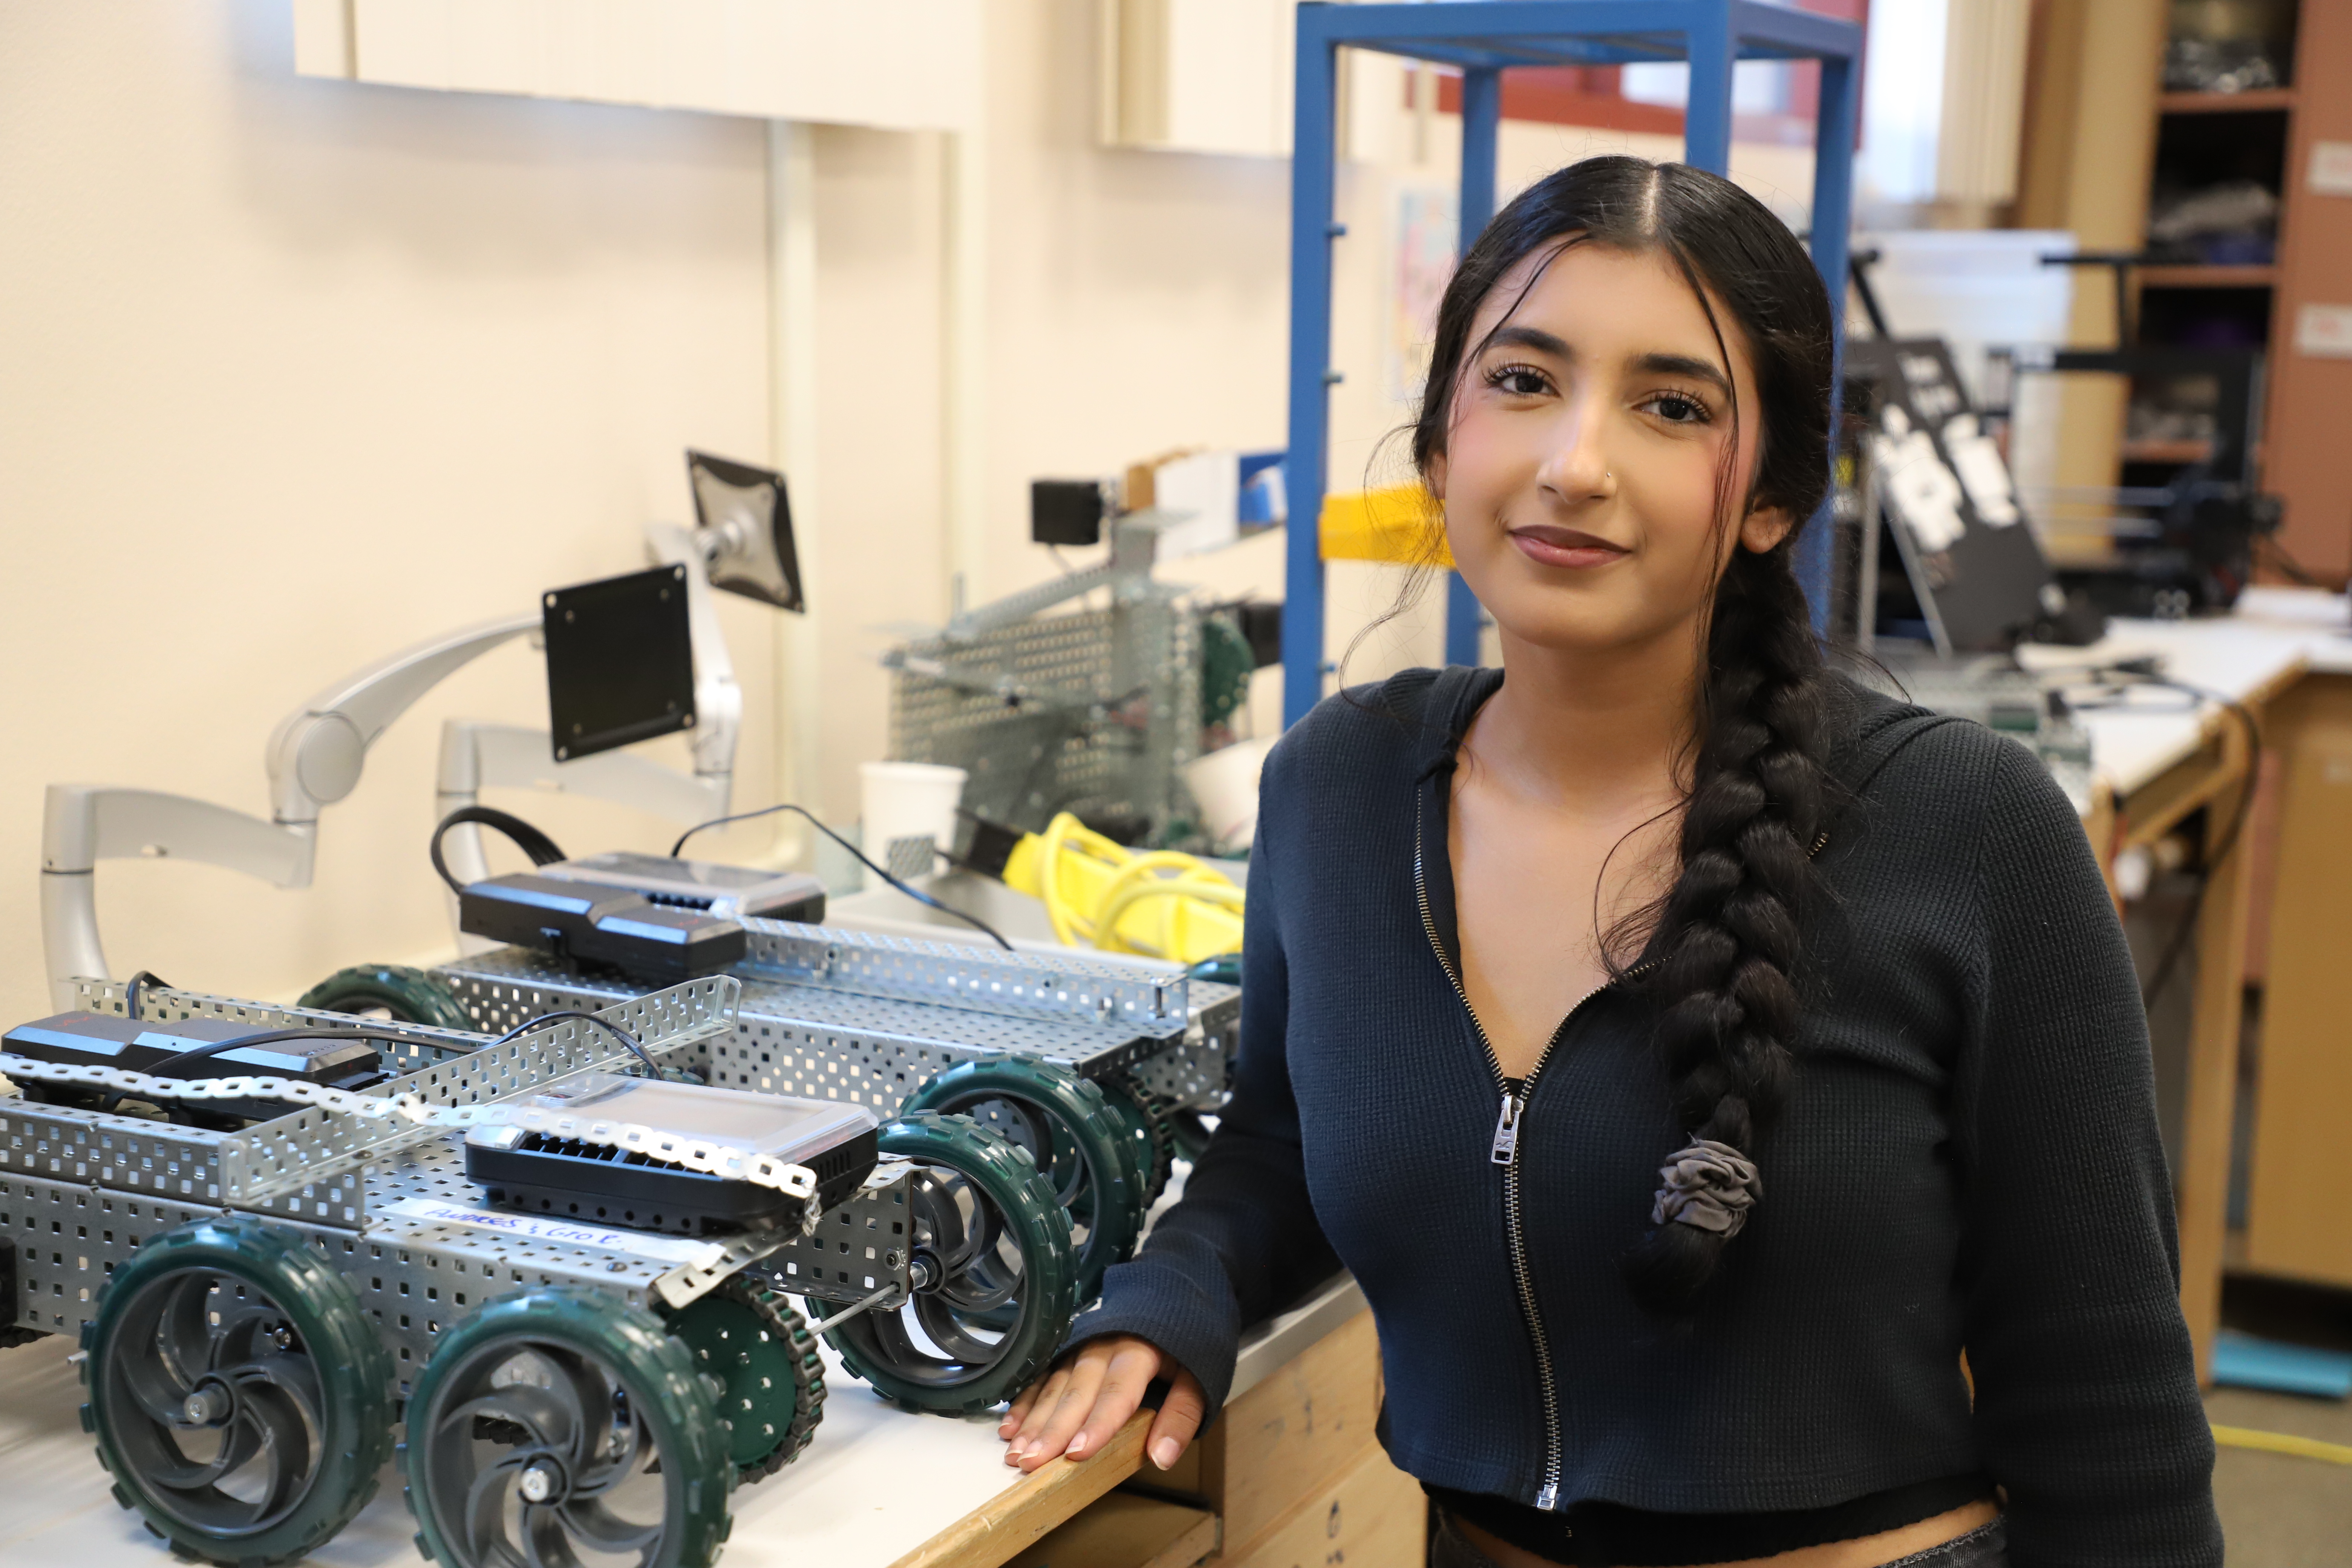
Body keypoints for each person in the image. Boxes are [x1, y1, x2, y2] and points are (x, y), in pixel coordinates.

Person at [997, 156, 2222, 1568]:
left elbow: (2108, 1410)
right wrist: (1179, 1291)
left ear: (1770, 498)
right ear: (1440, 447)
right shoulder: (1334, 788)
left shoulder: (1969, 828)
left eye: (1672, 406)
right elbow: (1280, 1141)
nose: (1576, 462)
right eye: (1523, 381)